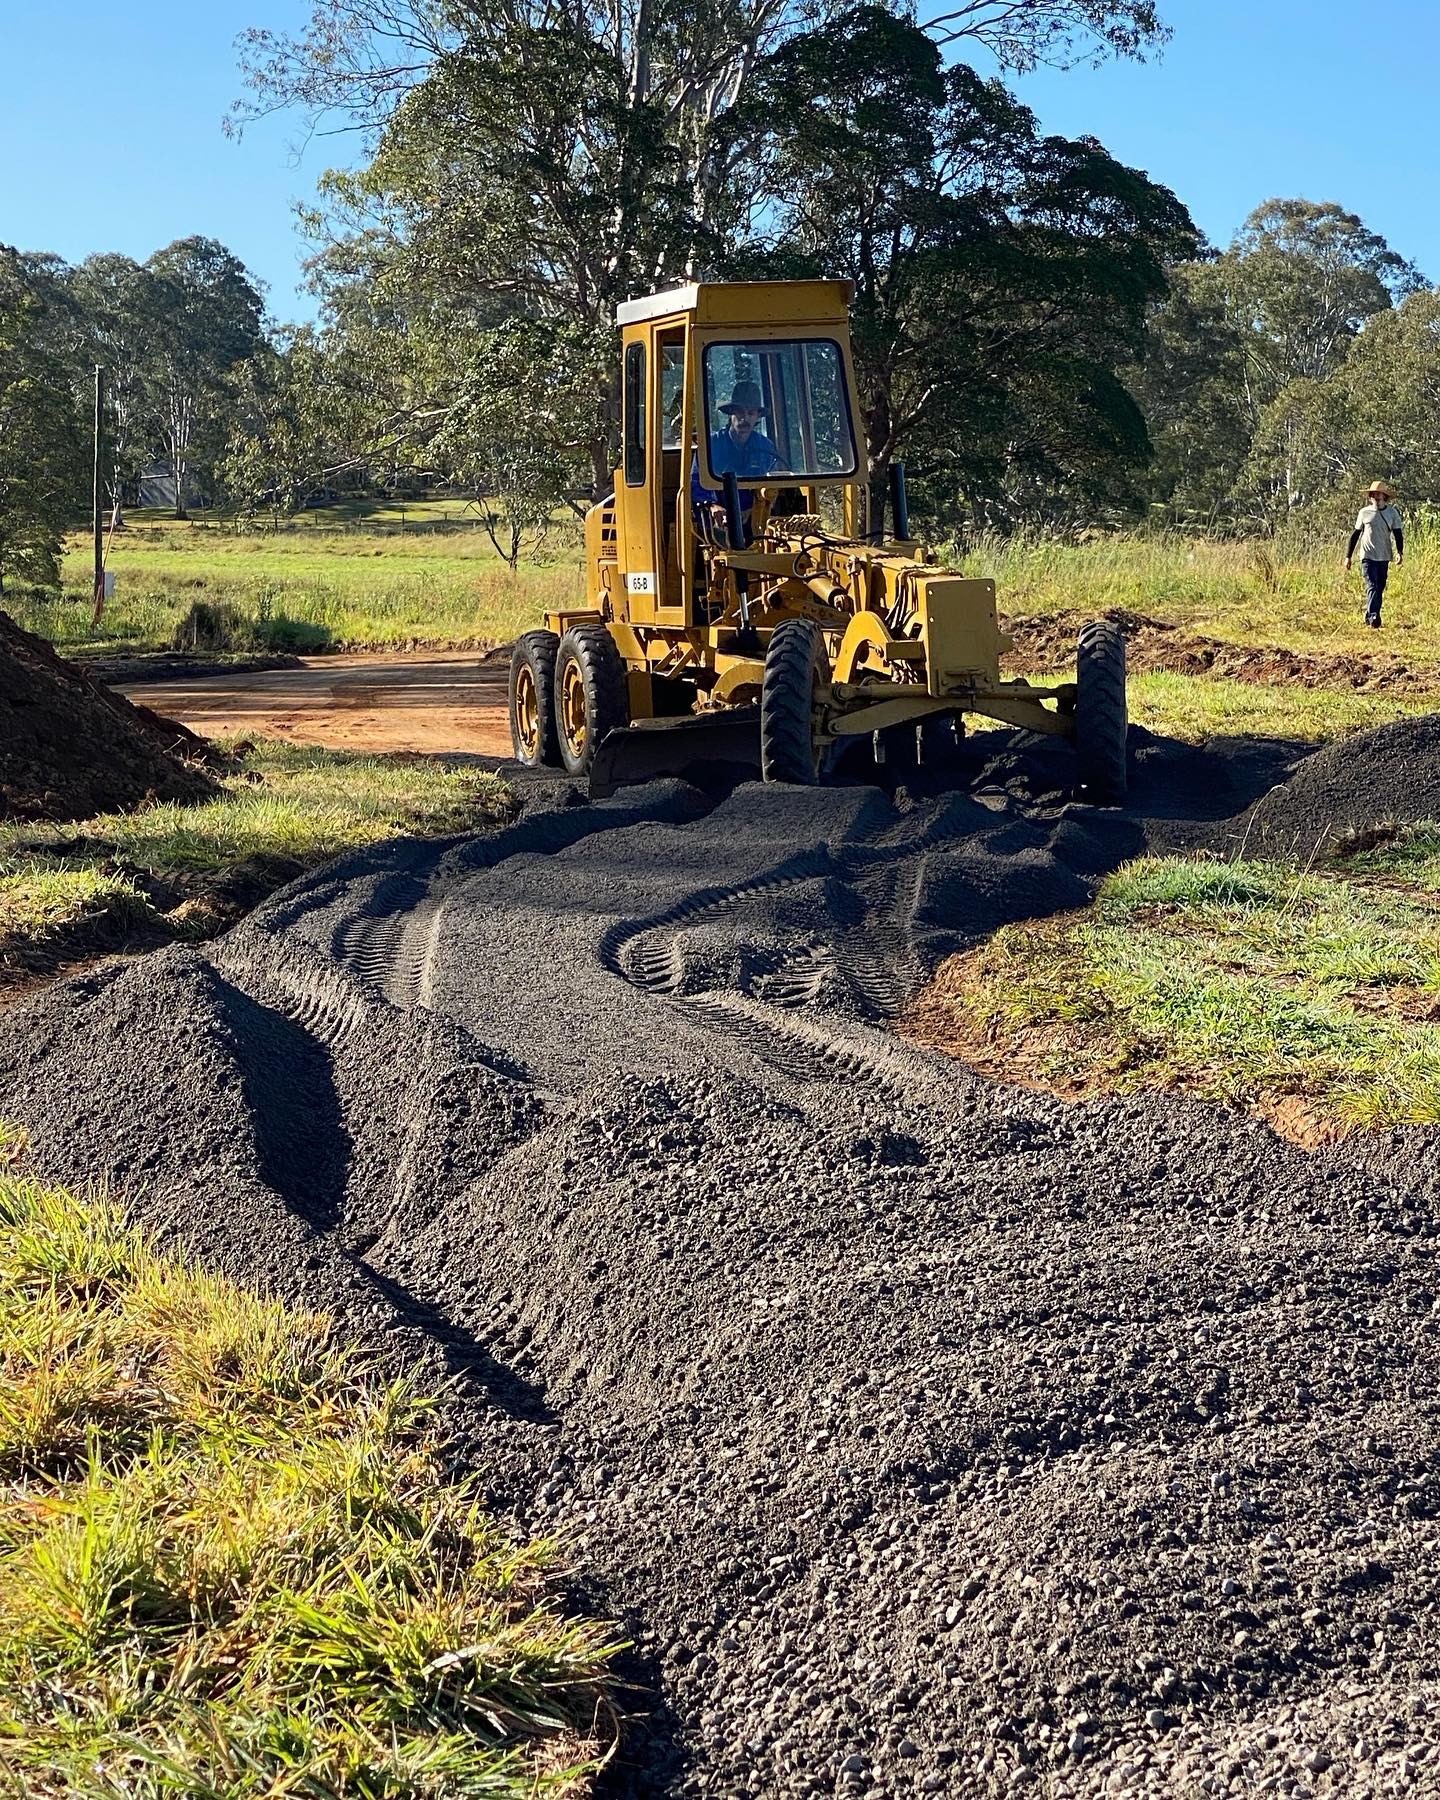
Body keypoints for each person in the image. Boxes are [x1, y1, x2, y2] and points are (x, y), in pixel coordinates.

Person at [691, 379, 780, 536]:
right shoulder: (711, 446)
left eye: (750, 413)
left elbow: (773, 489)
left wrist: (753, 510)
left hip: (757, 524)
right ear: (731, 413)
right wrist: (712, 506)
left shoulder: (766, 448)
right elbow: (696, 484)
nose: (744, 418)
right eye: (739, 412)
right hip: (716, 526)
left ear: (758, 416)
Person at [1345, 480, 1404, 628]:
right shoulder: (1364, 513)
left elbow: (1398, 534)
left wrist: (1400, 552)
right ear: (1370, 497)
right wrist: (1348, 556)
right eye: (1374, 494)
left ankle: (1370, 615)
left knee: (1380, 586)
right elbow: (1355, 535)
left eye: (1379, 494)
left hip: (1384, 556)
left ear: (1384, 496)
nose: (1376, 497)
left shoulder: (1392, 513)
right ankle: (1374, 617)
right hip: (1367, 556)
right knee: (1372, 584)